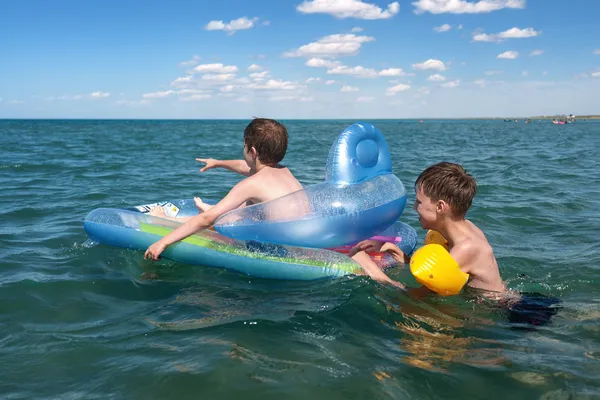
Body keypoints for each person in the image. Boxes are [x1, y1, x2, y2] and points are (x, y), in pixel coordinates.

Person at [144, 118, 304, 261]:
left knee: (222, 218)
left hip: (279, 253)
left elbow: (206, 220)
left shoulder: (253, 183)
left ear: (253, 152)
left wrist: (163, 242)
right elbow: (246, 166)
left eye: (244, 146)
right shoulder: (284, 172)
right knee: (250, 208)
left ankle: (162, 220)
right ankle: (217, 211)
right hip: (301, 244)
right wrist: (218, 162)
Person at [350, 162, 506, 294]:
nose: (414, 207)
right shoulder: (467, 228)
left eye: (419, 202)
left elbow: (416, 298)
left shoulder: (465, 249)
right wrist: (391, 248)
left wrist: (371, 269)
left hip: (507, 314)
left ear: (440, 207)